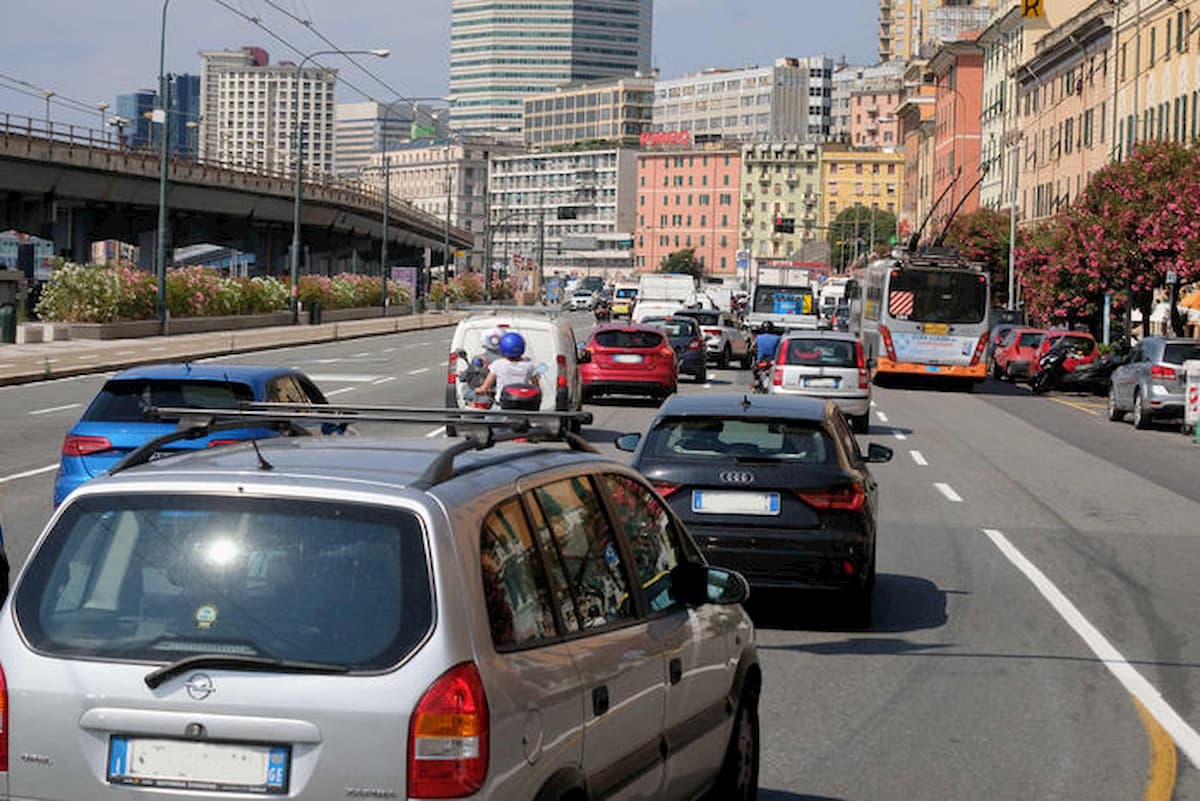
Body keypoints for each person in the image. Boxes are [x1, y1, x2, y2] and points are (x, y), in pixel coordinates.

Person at [476, 331, 540, 401]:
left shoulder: (497, 364)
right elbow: (536, 387)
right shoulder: (529, 366)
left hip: (502, 404)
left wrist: (479, 390)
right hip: (523, 403)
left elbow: (485, 388)